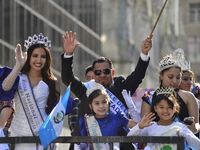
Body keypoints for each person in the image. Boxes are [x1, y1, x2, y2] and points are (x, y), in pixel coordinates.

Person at [61, 31, 153, 150]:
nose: (102, 75)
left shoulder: (122, 88)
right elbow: (68, 79)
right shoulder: (86, 91)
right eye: (98, 72)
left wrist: (144, 53)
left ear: (113, 73)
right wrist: (68, 54)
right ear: (93, 75)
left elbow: (138, 75)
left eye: (106, 71)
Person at [2, 33, 60, 150]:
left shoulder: (52, 82)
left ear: (47, 59)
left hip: (42, 135)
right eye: (35, 56)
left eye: (43, 56)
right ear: (28, 57)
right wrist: (18, 66)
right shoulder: (18, 78)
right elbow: (5, 87)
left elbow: (55, 111)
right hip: (19, 134)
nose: (39, 60)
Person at [140, 48, 200, 134]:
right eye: (170, 77)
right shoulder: (149, 97)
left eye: (178, 77)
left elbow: (197, 124)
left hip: (182, 143)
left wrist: (194, 128)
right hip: (157, 142)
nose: (175, 81)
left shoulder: (188, 96)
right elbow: (144, 125)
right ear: (161, 75)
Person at [128, 87, 200, 150]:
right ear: (155, 108)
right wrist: (140, 126)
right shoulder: (150, 127)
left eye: (169, 107)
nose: (165, 111)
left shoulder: (180, 127)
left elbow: (198, 146)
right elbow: (129, 138)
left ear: (175, 109)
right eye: (161, 107)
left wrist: (184, 134)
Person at [79, 82, 137, 150]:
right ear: (91, 106)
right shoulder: (85, 121)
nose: (101, 106)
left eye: (104, 102)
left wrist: (132, 108)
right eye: (97, 103)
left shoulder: (116, 118)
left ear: (108, 102)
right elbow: (84, 143)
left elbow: (136, 124)